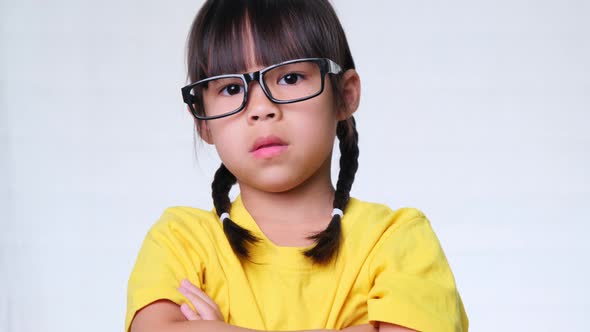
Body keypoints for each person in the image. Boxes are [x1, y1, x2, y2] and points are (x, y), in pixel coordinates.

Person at [125, 1, 468, 332]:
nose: (260, 108)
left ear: (346, 94)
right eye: (231, 88)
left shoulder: (396, 239)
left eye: (289, 78)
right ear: (203, 121)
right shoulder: (181, 240)